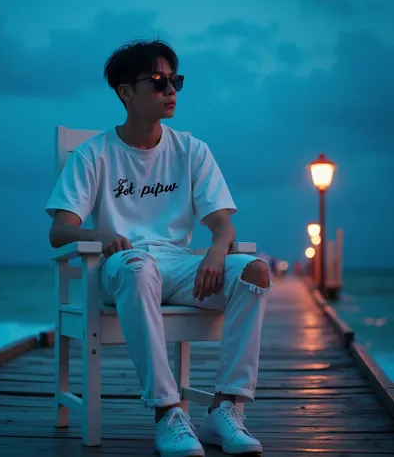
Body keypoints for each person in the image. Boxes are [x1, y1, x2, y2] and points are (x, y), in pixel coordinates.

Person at [46, 39, 272, 457]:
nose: (170, 90)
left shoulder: (191, 150)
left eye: (175, 81)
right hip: (120, 268)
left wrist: (216, 253)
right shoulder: (93, 154)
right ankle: (168, 411)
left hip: (178, 266)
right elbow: (60, 231)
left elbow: (222, 224)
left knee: (255, 271)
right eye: (156, 81)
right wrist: (99, 237)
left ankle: (226, 409)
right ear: (125, 93)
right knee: (137, 267)